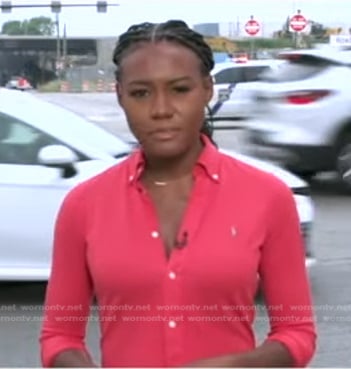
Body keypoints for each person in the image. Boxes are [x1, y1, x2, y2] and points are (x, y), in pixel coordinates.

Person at [39, 20, 317, 368]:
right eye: (141, 93)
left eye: (179, 89)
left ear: (207, 89)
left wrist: (229, 367)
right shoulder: (84, 205)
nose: (160, 109)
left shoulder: (267, 196)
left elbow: (297, 333)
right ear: (120, 95)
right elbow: (59, 336)